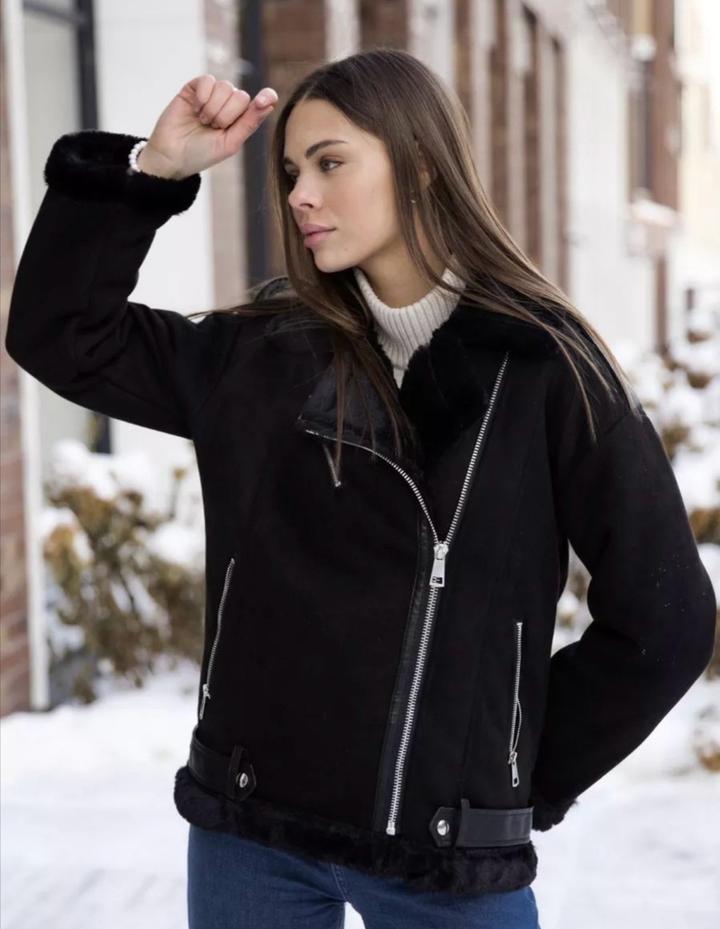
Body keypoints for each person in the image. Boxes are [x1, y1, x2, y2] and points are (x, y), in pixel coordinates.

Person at [5, 48, 715, 929]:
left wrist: (510, 771)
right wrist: (153, 171)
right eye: (292, 172)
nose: (300, 194)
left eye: (330, 162)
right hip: (251, 838)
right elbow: (60, 335)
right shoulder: (262, 353)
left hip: (444, 860)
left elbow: (666, 618)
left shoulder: (546, 369)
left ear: (420, 164)